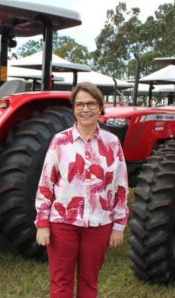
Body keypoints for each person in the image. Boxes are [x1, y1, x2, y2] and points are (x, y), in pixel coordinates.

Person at [35, 82, 129, 298]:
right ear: (73, 109)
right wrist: (42, 223)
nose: (85, 109)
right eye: (80, 105)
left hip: (99, 223)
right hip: (62, 223)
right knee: (61, 282)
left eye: (91, 104)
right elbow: (46, 183)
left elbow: (121, 186)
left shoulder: (112, 143)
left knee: (89, 282)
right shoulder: (60, 142)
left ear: (100, 107)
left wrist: (119, 225)